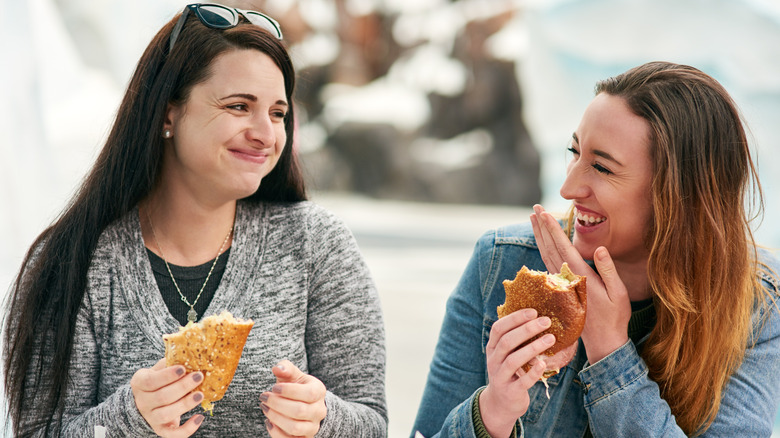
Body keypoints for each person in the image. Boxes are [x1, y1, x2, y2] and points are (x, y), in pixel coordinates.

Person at [3, 3, 386, 437]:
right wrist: (129, 421)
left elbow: (372, 423)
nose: (266, 133)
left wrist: (324, 420)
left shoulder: (317, 246)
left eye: (278, 113)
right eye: (239, 106)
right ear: (168, 113)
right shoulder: (74, 261)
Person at [412, 61, 780, 437]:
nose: (568, 189)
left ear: (680, 197)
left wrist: (609, 351)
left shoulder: (756, 307)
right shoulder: (502, 262)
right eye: (575, 152)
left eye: (602, 168)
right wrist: (491, 413)